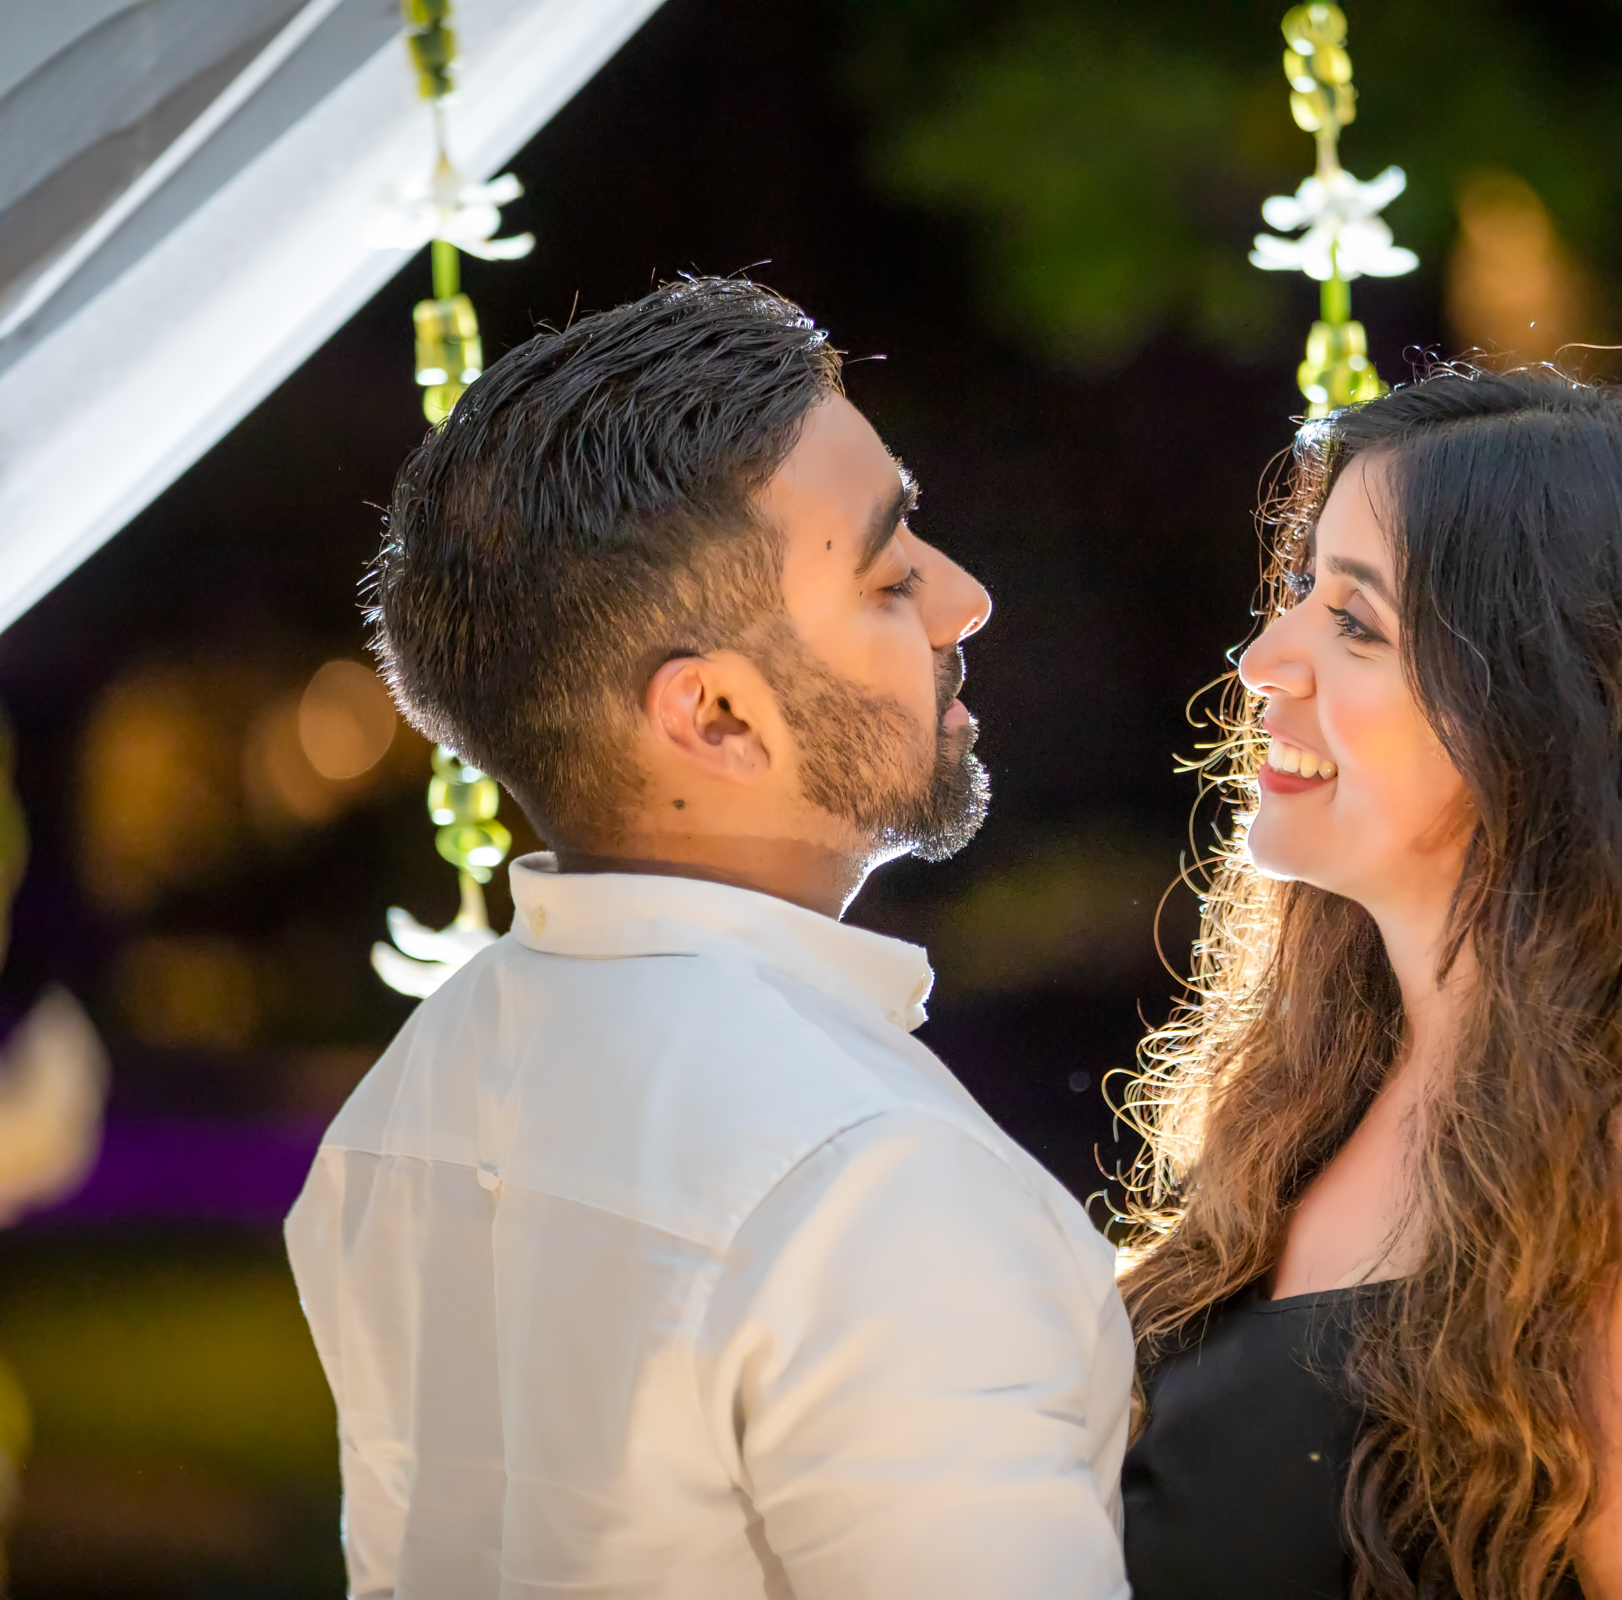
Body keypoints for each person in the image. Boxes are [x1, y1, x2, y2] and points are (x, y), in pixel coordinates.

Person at [283, 279, 1135, 1599]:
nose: (964, 602)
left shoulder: (413, 1096)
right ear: (718, 718)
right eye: (890, 572)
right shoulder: (873, 1182)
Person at [1116, 369, 1622, 1599]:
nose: (1266, 658)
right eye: (1303, 592)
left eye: (1355, 622)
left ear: (1548, 709)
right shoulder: (1314, 1093)